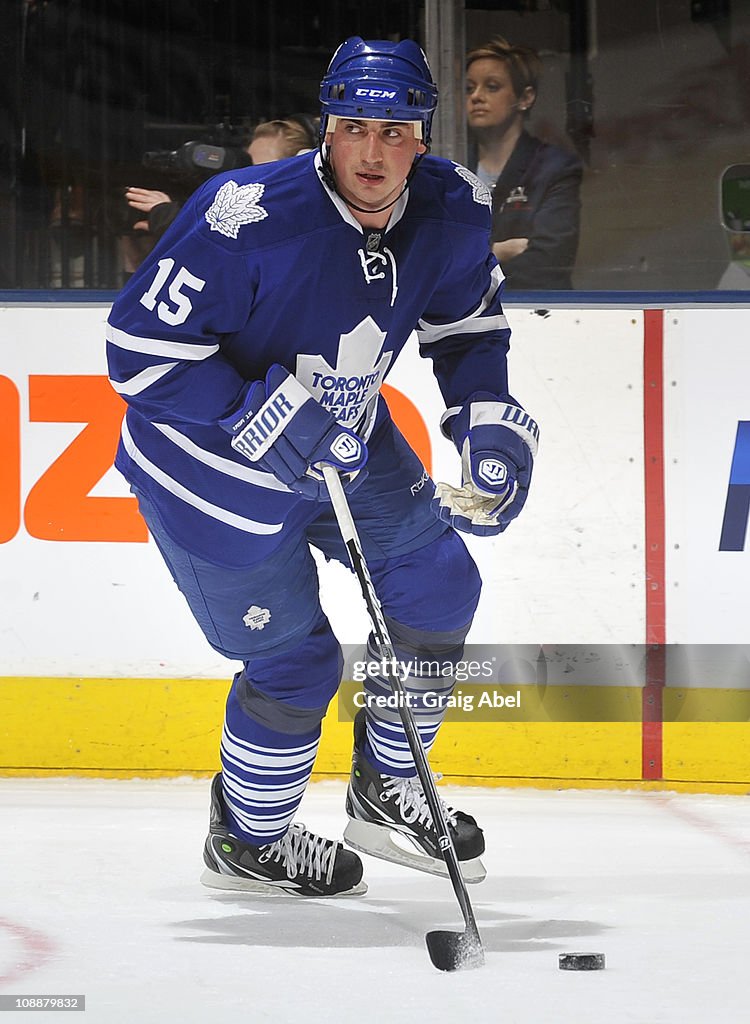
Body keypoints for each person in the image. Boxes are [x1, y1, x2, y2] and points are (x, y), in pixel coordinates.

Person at [105, 36, 538, 897]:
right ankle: (250, 839)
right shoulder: (245, 215)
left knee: (439, 584)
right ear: (325, 133)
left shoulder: (451, 210)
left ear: (422, 136)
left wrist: (488, 423)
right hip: (210, 472)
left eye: (393, 130)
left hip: (346, 438)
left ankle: (388, 789)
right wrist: (253, 415)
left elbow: (467, 329)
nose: (371, 152)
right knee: (298, 666)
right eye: (351, 128)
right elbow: (137, 352)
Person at [466, 36, 582, 290]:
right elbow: (429, 259)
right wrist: (497, 251)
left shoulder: (556, 168)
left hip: (540, 316)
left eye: (492, 86)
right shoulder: (451, 168)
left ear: (525, 98)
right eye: (469, 88)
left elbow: (549, 263)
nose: (476, 97)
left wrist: (468, 268)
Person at [124, 117, 318, 242]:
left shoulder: (309, 225)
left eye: (263, 170)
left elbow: (243, 242)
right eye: (246, 168)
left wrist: (170, 219)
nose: (250, 179)